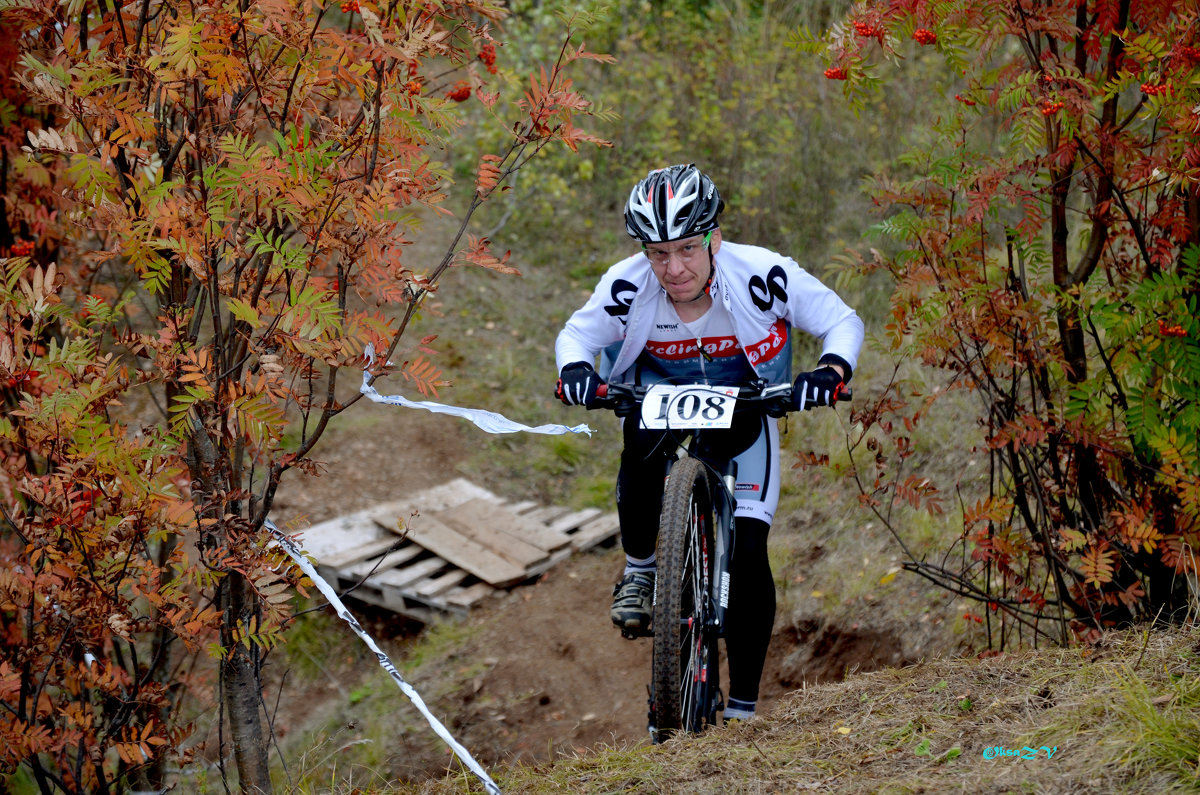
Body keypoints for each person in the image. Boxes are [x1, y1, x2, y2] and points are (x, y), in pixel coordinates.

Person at [553, 164, 863, 723]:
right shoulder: (627, 284)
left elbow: (841, 320)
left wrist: (831, 369)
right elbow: (577, 334)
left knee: (747, 551)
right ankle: (643, 569)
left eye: (688, 249)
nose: (673, 268)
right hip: (660, 397)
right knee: (639, 439)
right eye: (658, 253)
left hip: (747, 405)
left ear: (715, 237)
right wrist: (576, 369)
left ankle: (743, 708)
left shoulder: (763, 273)